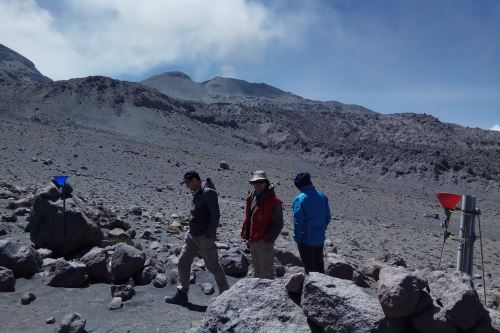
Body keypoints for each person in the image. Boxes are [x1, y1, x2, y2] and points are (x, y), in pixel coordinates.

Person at [165, 171, 229, 305]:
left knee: (212, 265)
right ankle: (182, 293)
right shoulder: (197, 192)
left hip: (204, 237)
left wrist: (209, 235)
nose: (187, 186)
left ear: (195, 180)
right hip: (192, 236)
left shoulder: (208, 192)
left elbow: (215, 214)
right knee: (183, 261)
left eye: (188, 183)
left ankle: (226, 295)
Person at [241, 171, 284, 279]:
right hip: (253, 240)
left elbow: (278, 223)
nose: (257, 184)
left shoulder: (274, 201)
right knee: (256, 269)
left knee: (266, 272)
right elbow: (249, 217)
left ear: (266, 183)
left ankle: (267, 295)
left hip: (264, 241)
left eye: (260, 182)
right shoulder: (252, 197)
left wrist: (267, 239)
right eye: (255, 182)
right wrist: (247, 235)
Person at [292, 172, 331, 274]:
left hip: (306, 241)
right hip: (320, 239)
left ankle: (313, 288)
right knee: (319, 265)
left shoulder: (299, 200)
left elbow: (298, 222)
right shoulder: (322, 196)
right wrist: (321, 229)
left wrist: (297, 239)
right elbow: (327, 217)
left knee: (310, 270)